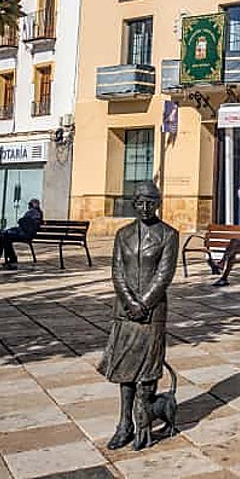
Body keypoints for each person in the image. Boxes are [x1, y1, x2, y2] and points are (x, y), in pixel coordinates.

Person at [98, 181, 179, 451]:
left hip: (152, 313)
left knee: (147, 371)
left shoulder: (168, 235)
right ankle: (124, 425)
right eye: (140, 202)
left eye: (150, 202)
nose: (145, 207)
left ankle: (143, 422)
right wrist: (130, 302)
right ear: (134, 204)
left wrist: (144, 304)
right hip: (125, 313)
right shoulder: (123, 234)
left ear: (158, 203)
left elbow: (164, 274)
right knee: (125, 371)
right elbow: (117, 271)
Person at [0, 198, 43, 268]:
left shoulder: (34, 213)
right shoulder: (35, 212)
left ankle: (6, 256)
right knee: (5, 235)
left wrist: (22, 221)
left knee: (5, 236)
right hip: (23, 232)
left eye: (30, 204)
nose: (29, 206)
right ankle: (2, 255)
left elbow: (25, 223)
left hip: (25, 234)